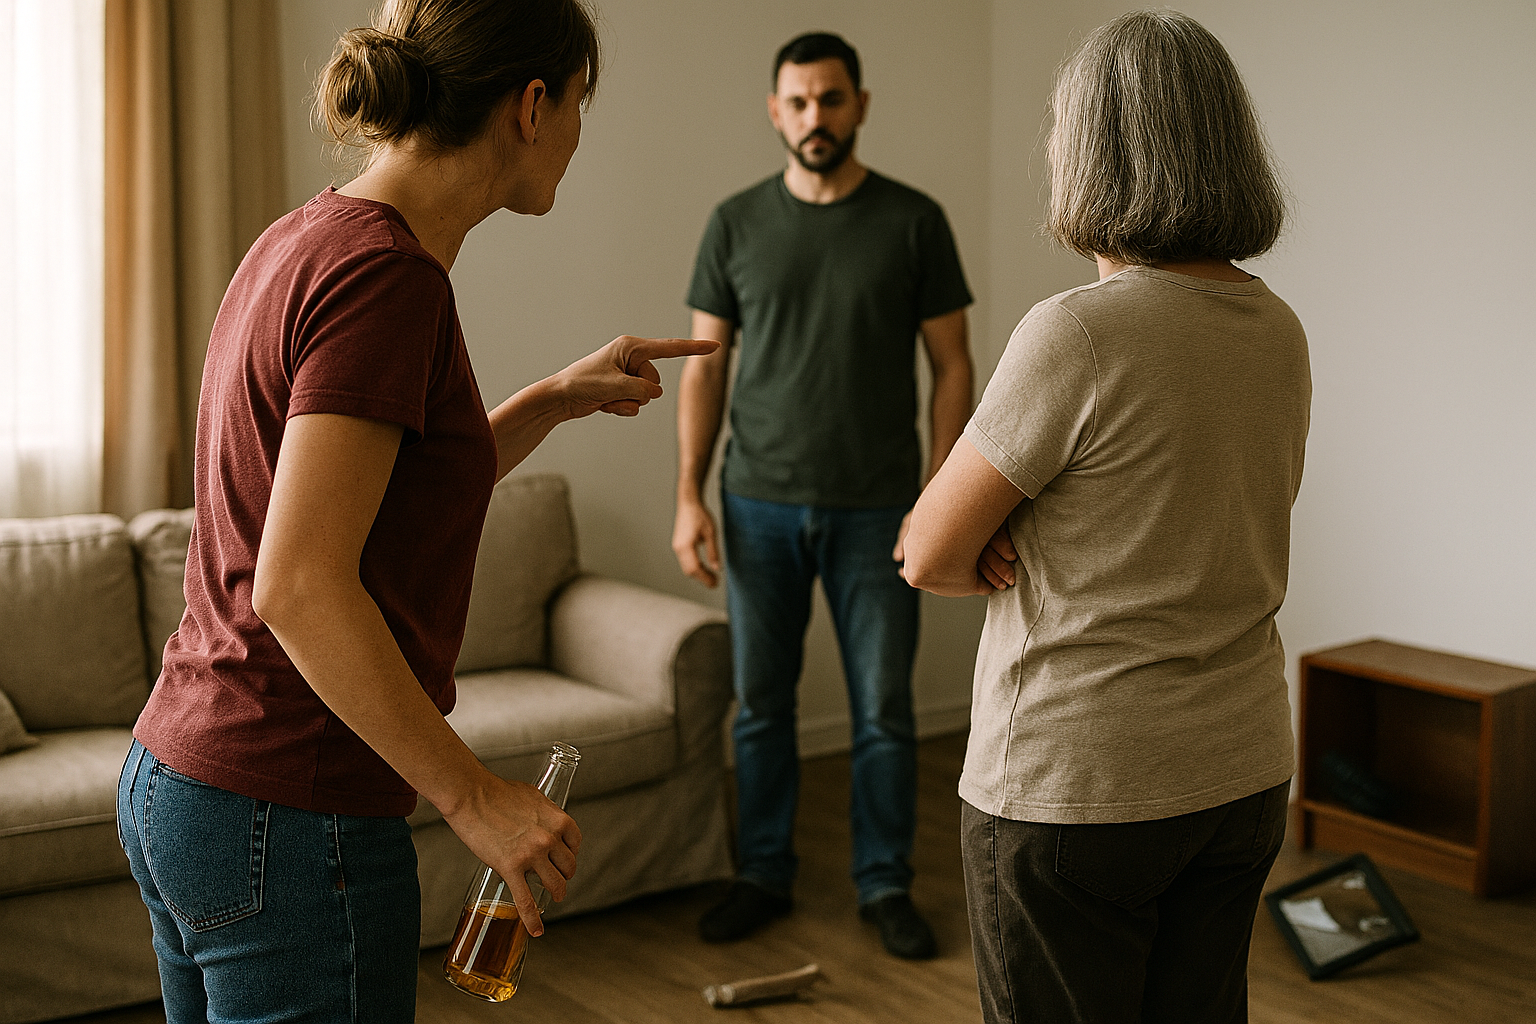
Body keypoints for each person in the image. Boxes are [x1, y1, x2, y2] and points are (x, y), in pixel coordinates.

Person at [115, 2, 715, 1021]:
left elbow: (380, 495)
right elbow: (300, 584)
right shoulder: (389, 279)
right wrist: (474, 796)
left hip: (182, 778)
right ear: (531, 105)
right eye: (579, 104)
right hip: (287, 807)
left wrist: (553, 400)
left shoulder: (311, 235)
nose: (577, 133)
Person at [901, 10, 1308, 1023]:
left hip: (1077, 786)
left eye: (1057, 125)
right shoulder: (1278, 328)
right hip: (1241, 768)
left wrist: (997, 540)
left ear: (1094, 148)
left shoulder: (1076, 333)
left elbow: (926, 551)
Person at [672, 31, 974, 960]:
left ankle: (885, 882)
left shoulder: (915, 220)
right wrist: (690, 495)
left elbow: (952, 365)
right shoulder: (733, 223)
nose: (815, 117)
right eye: (798, 102)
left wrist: (939, 497)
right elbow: (702, 372)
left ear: (860, 104)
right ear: (775, 112)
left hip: (881, 510)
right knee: (762, 703)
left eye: (831, 100)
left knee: (883, 710)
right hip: (756, 503)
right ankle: (762, 873)